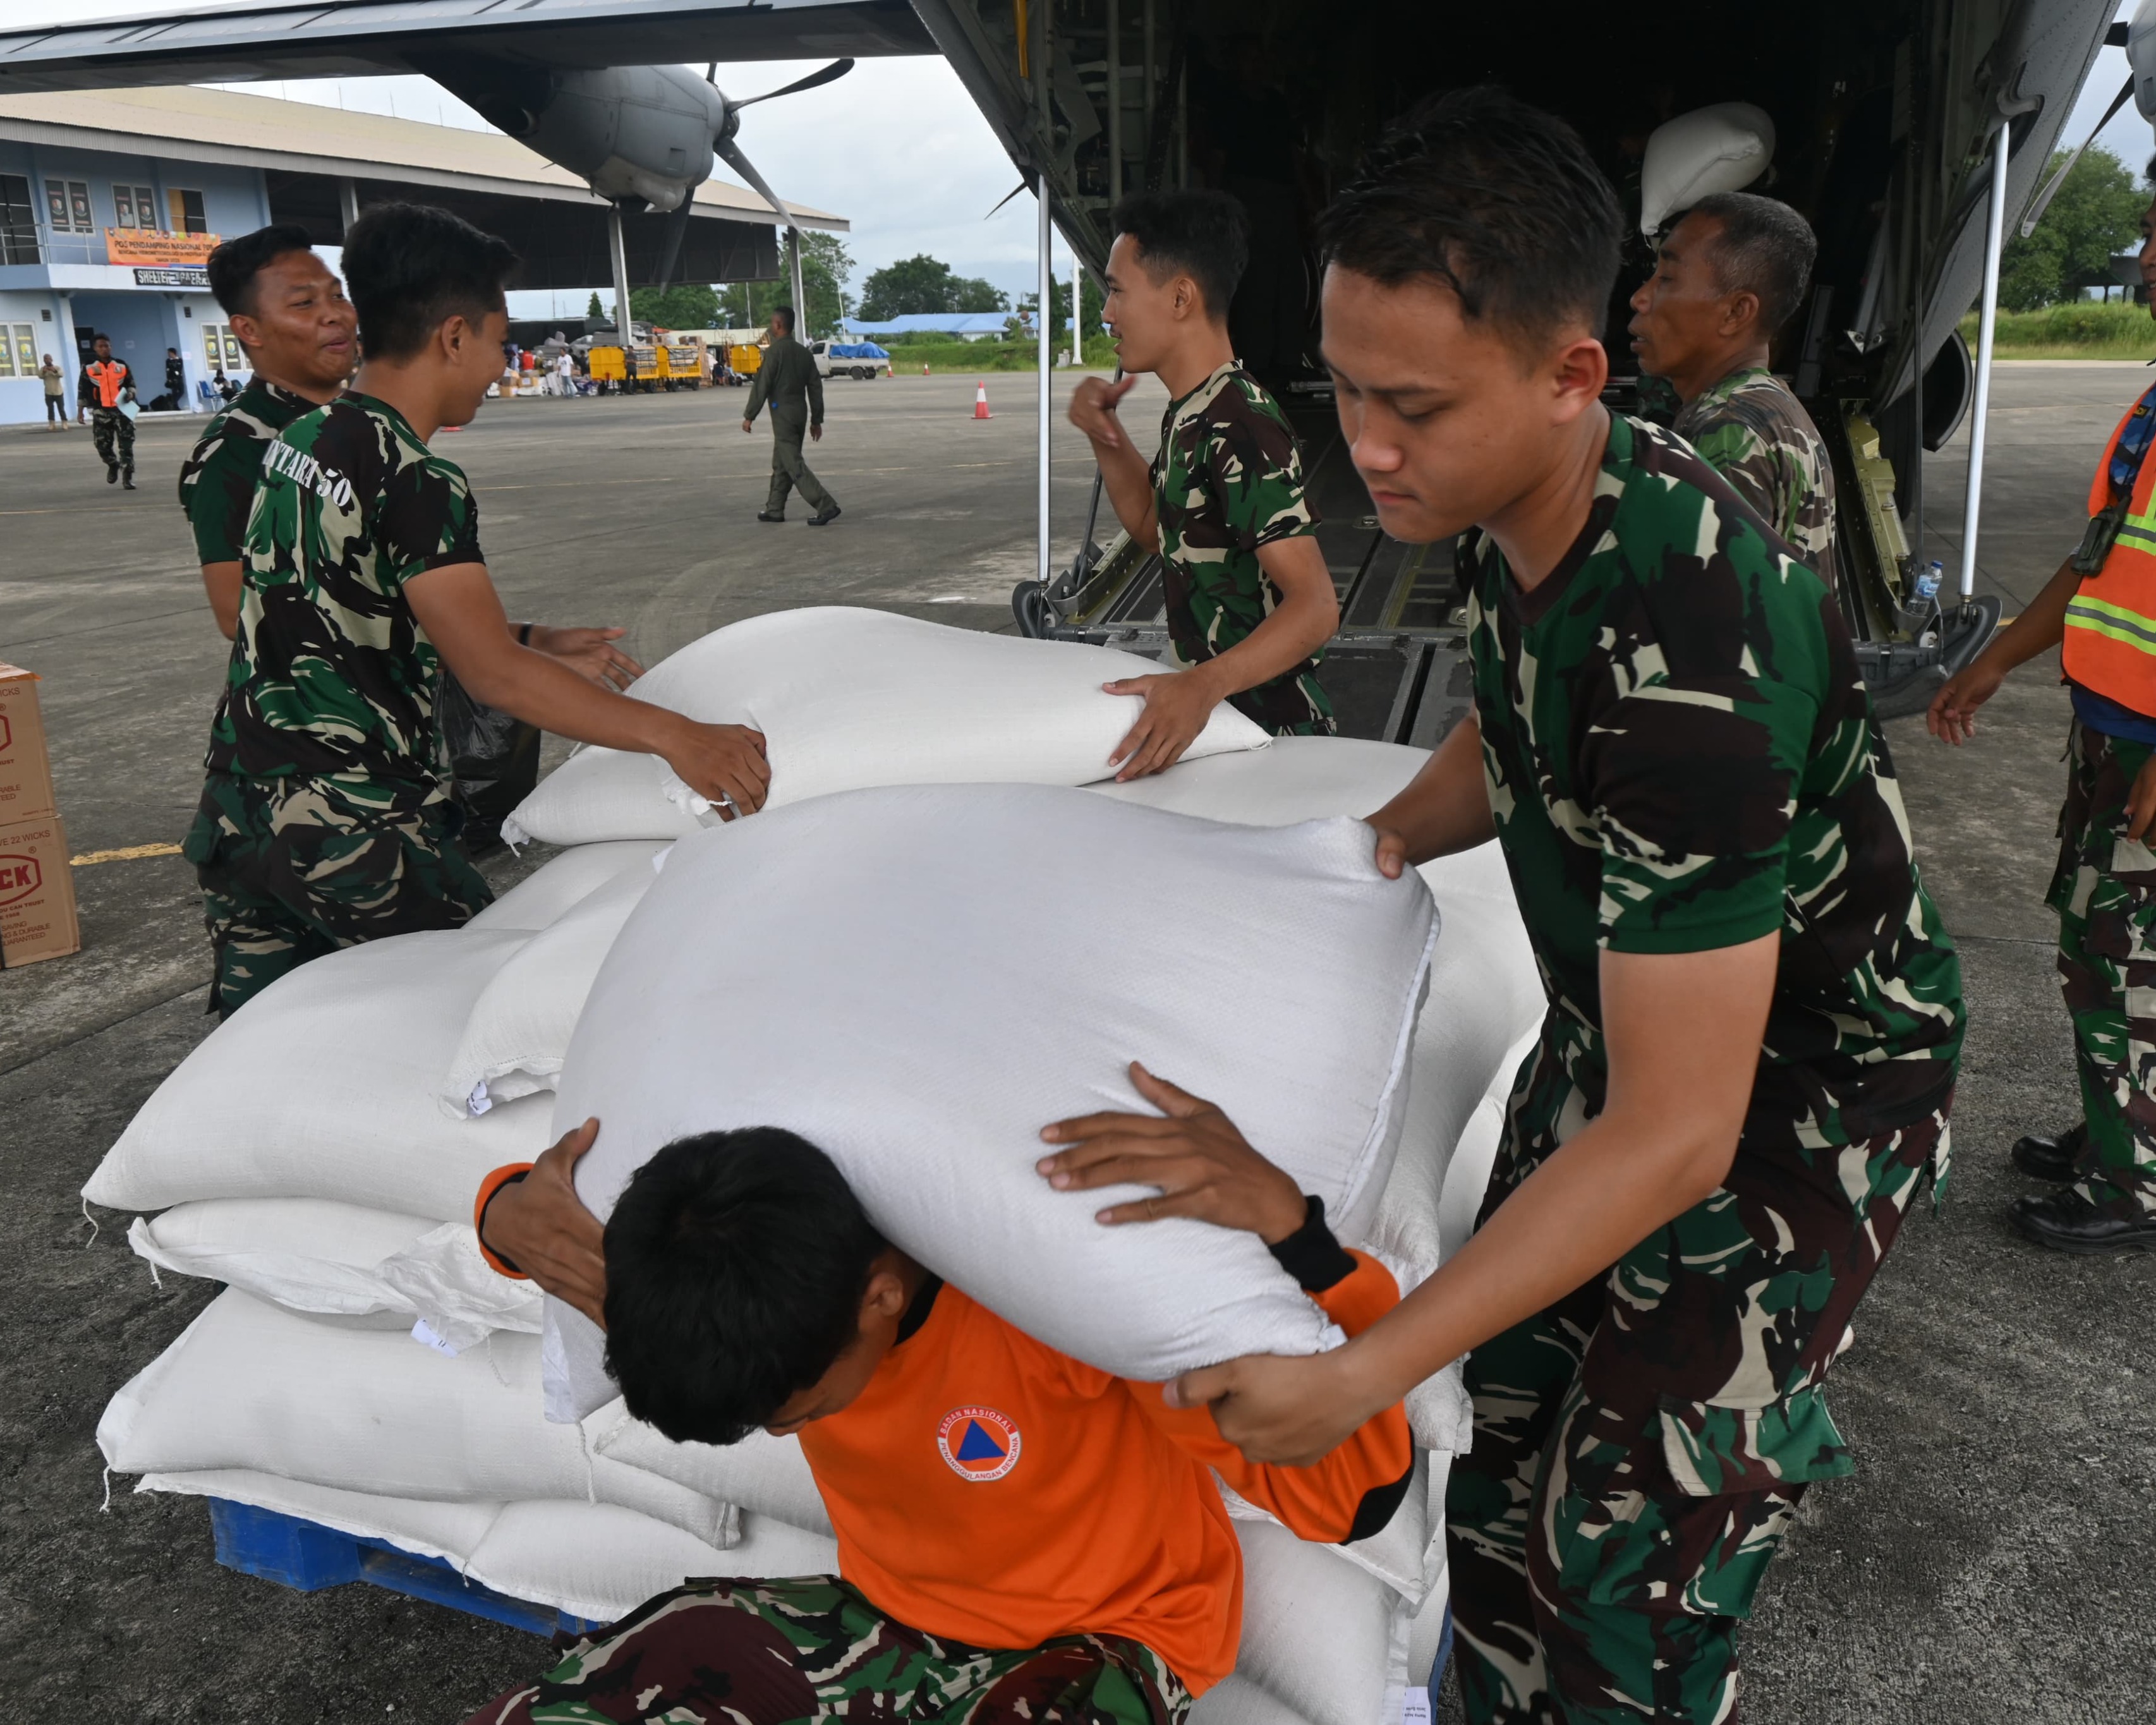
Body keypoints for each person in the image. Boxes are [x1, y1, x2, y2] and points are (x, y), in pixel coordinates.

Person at [1118, 89, 1964, 1725]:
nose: (1364, 450)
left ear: (1574, 372)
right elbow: (1501, 728)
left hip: (1799, 1098)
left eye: (1410, 407)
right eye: (1344, 390)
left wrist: (1359, 1366)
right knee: (1503, 1426)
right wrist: (1345, 849)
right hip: (1629, 1024)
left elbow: (1675, 1139)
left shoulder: (1690, 655)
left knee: (1627, 1528)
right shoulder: (1515, 496)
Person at [466, 1066, 1412, 1725]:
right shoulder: (719, 1280)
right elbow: (538, 1225)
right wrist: (502, 1210)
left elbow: (1353, 1496)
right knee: (611, 1684)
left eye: (793, 1413)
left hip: (1101, 1643)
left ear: (879, 1294)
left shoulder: (1063, 1306)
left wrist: (1307, 1244)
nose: (783, 1428)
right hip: (884, 1617)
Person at [183, 202, 771, 1018]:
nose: (501, 365)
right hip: (352, 823)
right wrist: (681, 737)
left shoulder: (300, 439)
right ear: (452, 337)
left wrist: (527, 639)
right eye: (498, 341)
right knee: (477, 1014)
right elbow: (492, 674)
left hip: (242, 808)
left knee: (268, 1043)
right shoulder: (418, 477)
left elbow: (350, 601)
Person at [1924, 173, 2156, 1255]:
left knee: (2116, 957)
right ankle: (2126, 1125)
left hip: (2148, 746)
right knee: (2094, 939)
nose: (2145, 262)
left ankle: (2136, 1178)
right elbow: (2097, 558)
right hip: (2110, 727)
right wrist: (2001, 662)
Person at [1067, 191, 1340, 777]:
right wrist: (1104, 433)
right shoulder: (1194, 411)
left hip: (1270, 736)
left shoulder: (1239, 423)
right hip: (1218, 723)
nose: (1107, 314)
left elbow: (1316, 607)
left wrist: (1201, 686)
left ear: (1181, 296)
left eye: (1116, 290)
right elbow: (1156, 532)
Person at [1627, 191, 1839, 584]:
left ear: (1736, 312)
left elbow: (1714, 624)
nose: (1640, 298)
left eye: (1668, 279)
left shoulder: (1726, 428)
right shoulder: (1768, 404)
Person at [179, 225, 361, 641]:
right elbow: (237, 613)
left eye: (337, 295)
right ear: (249, 330)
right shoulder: (235, 451)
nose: (334, 314)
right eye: (304, 303)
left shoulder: (364, 422)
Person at [742, 305, 839, 526]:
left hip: (783, 413)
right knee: (781, 461)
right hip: (800, 412)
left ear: (778, 325)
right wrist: (817, 420)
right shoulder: (804, 353)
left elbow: (762, 385)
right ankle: (775, 509)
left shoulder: (774, 352)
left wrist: (750, 415)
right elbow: (815, 388)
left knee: (793, 463)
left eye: (771, 323)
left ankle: (826, 505)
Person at [78, 334, 136, 487]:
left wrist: (131, 393)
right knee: (102, 446)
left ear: (111, 347)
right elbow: (82, 390)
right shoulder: (89, 367)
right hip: (101, 412)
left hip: (122, 411)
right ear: (95, 348)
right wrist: (80, 411)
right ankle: (112, 464)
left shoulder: (121, 365)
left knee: (126, 446)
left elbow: (131, 383)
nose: (104, 349)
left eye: (107, 346)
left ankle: (127, 478)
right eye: (101, 346)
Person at [38, 353, 66, 430]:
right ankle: (52, 424)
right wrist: (44, 371)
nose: (47, 360)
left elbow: (61, 375)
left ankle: (64, 422)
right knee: (50, 408)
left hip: (58, 392)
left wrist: (53, 370)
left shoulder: (57, 368)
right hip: (48, 392)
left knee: (61, 408)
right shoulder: (43, 369)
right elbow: (40, 376)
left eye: (48, 358)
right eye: (45, 359)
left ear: (52, 359)